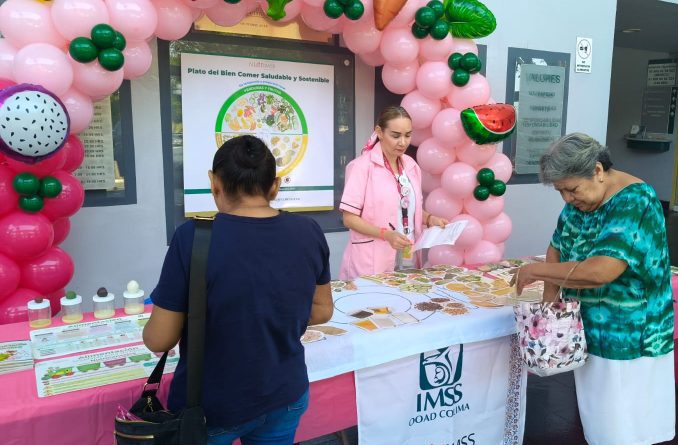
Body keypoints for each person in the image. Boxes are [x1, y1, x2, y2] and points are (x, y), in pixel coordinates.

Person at [143, 135, 333, 445]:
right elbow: (322, 310)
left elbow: (159, 339)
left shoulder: (192, 237)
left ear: (214, 183)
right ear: (275, 186)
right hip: (285, 394)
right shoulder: (308, 231)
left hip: (212, 408)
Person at [513, 133, 675, 445]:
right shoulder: (581, 202)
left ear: (598, 170)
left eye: (572, 189)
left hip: (630, 332)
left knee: (625, 423)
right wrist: (549, 311)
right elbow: (556, 248)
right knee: (600, 419)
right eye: (560, 191)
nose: (567, 198)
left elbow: (602, 270)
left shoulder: (635, 201)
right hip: (589, 325)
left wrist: (534, 271)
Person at [339, 106, 449, 280]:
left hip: (408, 255)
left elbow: (408, 207)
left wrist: (430, 219)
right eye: (396, 136)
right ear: (379, 132)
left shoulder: (411, 166)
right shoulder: (360, 167)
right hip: (372, 259)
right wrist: (386, 234)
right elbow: (349, 218)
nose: (403, 142)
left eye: (408, 135)